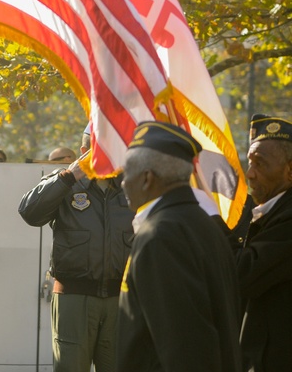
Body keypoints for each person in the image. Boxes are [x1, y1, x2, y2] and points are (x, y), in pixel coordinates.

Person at [117, 121, 241, 372]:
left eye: (125, 173)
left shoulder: (160, 237)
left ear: (147, 178)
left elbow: (185, 347)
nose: (122, 183)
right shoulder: (203, 225)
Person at [19, 125, 132, 372]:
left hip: (119, 300)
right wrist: (69, 177)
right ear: (84, 151)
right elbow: (29, 212)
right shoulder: (65, 181)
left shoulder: (131, 186)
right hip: (74, 298)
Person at [235, 114, 292, 371]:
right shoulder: (269, 211)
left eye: (260, 164)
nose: (250, 174)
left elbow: (244, 274)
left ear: (289, 170)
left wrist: (216, 225)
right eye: (249, 162)